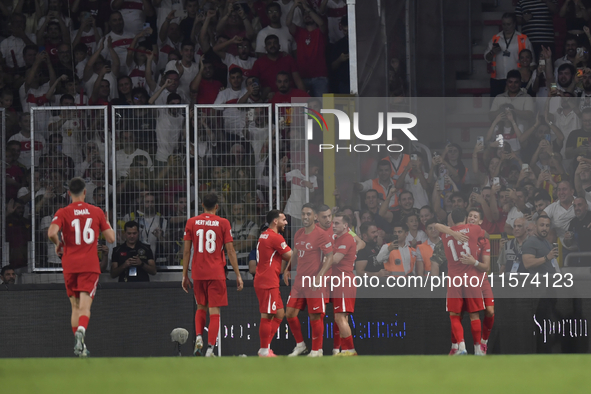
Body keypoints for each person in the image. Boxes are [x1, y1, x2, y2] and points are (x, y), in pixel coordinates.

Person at [47, 177, 116, 357]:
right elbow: (111, 238)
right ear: (85, 192)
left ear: (69, 193)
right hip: (89, 265)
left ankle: (81, 348)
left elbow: (51, 233)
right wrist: (105, 223)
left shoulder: (63, 211)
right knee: (85, 306)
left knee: (75, 307)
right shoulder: (96, 211)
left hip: (69, 264)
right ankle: (82, 332)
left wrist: (58, 243)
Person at [182, 192, 244, 357]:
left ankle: (199, 337)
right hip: (216, 272)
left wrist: (184, 275)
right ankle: (210, 348)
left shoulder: (191, 222)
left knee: (200, 306)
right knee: (214, 310)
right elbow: (230, 250)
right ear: (217, 206)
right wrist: (238, 274)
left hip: (198, 272)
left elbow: (187, 251)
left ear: (202, 204)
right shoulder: (223, 223)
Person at [283, 203, 334, 357]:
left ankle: (317, 350)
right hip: (299, 281)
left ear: (315, 217)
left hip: (314, 282)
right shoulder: (299, 233)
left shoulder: (321, 234)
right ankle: (300, 345)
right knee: (290, 313)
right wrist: (287, 269)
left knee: (315, 315)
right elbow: (296, 253)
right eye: (303, 214)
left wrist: (319, 276)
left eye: (309, 214)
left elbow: (330, 257)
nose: (305, 217)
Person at [441, 208, 490, 356]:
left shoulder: (445, 235)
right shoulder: (474, 229)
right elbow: (486, 235)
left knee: (454, 314)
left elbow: (437, 226)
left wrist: (454, 232)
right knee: (474, 315)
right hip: (471, 277)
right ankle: (477, 349)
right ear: (465, 218)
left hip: (454, 278)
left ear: (451, 220)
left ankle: (461, 347)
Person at [254, 209, 292, 357]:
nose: (286, 222)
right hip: (267, 281)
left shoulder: (264, 235)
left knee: (279, 313)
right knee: (267, 315)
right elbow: (291, 256)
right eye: (283, 219)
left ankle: (265, 347)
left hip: (268, 279)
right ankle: (264, 350)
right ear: (275, 221)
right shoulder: (276, 237)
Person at [320, 212, 358, 356]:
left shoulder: (347, 239)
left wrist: (316, 261)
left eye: (336, 223)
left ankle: (351, 351)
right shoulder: (337, 238)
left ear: (345, 225)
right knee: (342, 317)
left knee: (339, 317)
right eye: (333, 223)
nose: (333, 225)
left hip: (343, 281)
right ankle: (345, 350)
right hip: (337, 281)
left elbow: (335, 259)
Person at [484, 12, 534, 97]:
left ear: (514, 24)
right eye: (504, 24)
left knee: (514, 107)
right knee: (496, 107)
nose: (506, 27)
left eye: (508, 24)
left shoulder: (523, 39)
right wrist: (492, 52)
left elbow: (532, 62)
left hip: (516, 80)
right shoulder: (496, 38)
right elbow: (487, 58)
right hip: (497, 79)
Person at [563, 197, 591, 265]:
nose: (576, 208)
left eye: (580, 205)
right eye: (574, 206)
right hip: (582, 259)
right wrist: (566, 239)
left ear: (586, 207)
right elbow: (568, 243)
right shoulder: (573, 222)